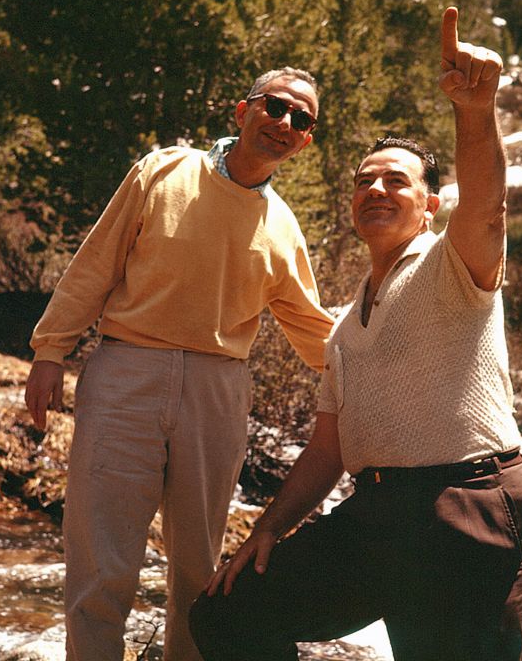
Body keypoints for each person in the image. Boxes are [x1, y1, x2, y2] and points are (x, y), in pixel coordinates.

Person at [188, 7, 522, 661]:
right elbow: (327, 452)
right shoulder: (347, 321)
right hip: (374, 516)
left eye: (395, 181)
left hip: (466, 508)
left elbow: (489, 207)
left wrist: (475, 110)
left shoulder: (452, 263)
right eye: (363, 181)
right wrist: (267, 529)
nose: (375, 189)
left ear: (429, 204)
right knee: (227, 610)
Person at [24, 67, 335, 661]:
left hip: (218, 392)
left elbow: (315, 333)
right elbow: (97, 264)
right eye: (275, 106)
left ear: (305, 142)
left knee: (198, 566)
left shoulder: (283, 228)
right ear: (242, 112)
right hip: (126, 373)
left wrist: (384, 374)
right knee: (100, 561)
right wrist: (49, 349)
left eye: (301, 119)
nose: (285, 122)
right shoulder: (163, 171)